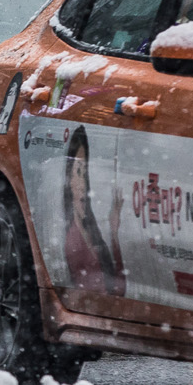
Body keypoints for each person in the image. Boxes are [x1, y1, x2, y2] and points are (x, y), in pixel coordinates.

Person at [61, 124, 126, 296]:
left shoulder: (91, 230)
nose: (82, 183)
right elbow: (107, 295)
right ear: (68, 180)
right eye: (77, 172)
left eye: (84, 173)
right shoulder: (72, 241)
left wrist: (113, 232)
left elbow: (119, 289)